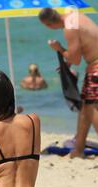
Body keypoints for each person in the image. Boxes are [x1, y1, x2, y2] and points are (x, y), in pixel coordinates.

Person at [39, 8, 98, 158]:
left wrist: (59, 48)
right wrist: (68, 61)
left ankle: (78, 149)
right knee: (86, 108)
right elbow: (84, 44)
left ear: (48, 24)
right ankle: (78, 149)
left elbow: (76, 59)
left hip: (96, 67)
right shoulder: (75, 15)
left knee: (90, 109)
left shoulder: (69, 28)